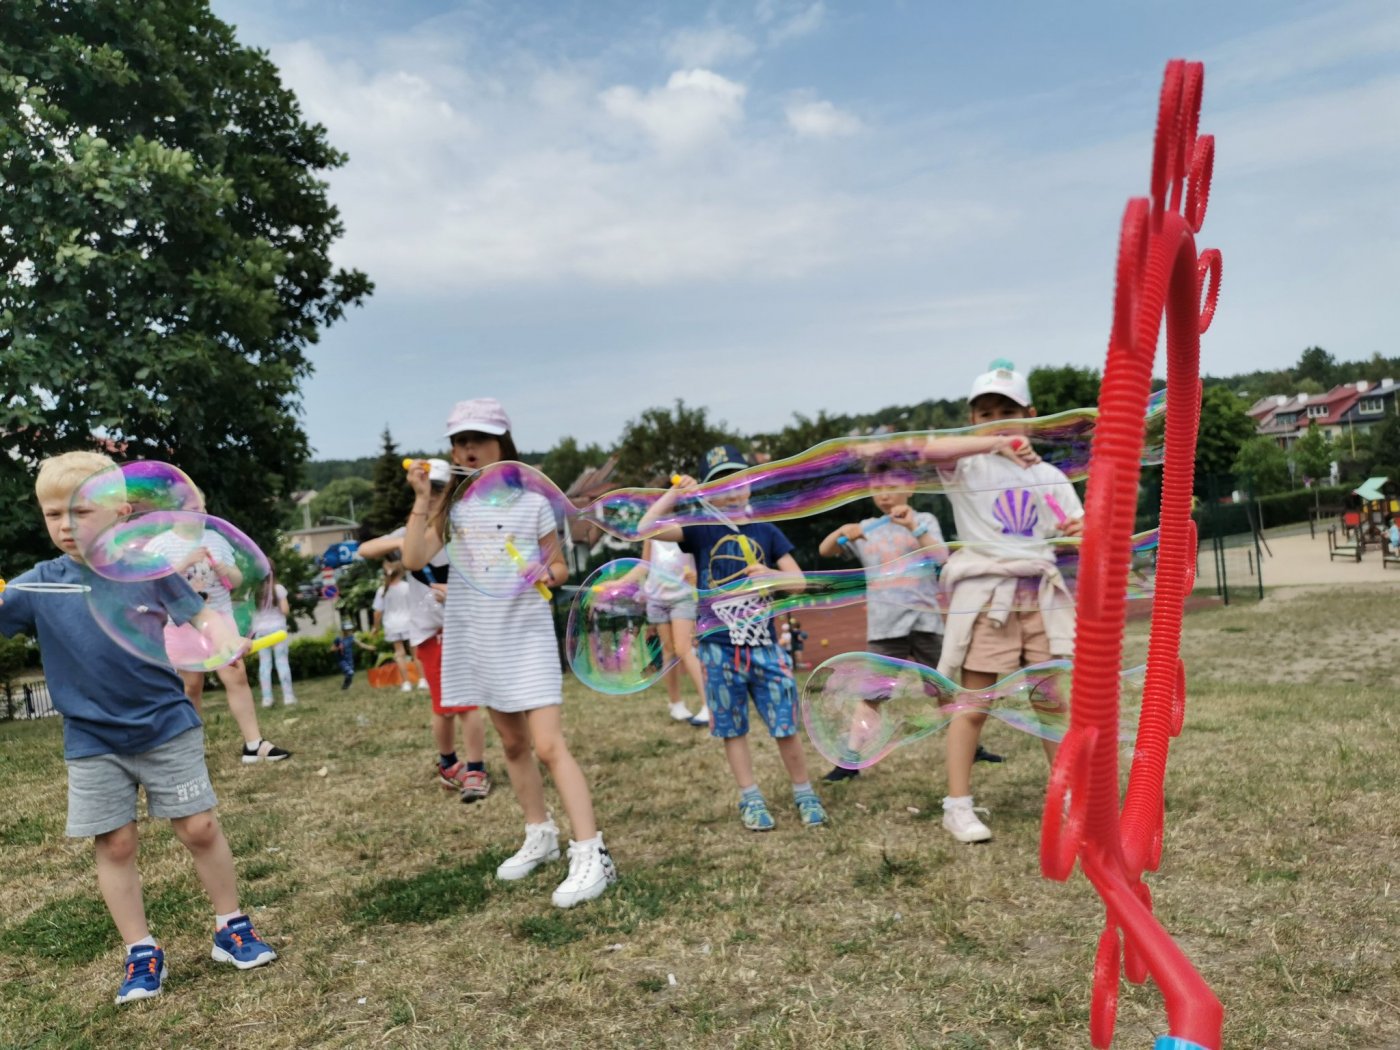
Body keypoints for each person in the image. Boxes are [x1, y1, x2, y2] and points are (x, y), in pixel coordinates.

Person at [0, 451, 277, 1004]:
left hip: (166, 725)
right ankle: (141, 950)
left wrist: (222, 635)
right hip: (92, 739)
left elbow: (200, 617)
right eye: (53, 514)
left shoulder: (150, 573)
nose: (65, 526)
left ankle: (231, 925)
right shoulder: (38, 585)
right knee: (116, 842)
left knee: (198, 828)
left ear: (122, 513)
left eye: (81, 511)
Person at [402, 397, 615, 907]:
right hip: (479, 633)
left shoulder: (532, 502)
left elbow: (559, 568)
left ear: (503, 445)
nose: (468, 448)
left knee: (547, 745)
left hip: (526, 633)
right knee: (512, 744)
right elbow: (413, 558)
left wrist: (548, 573)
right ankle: (538, 833)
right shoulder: (452, 506)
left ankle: (591, 852)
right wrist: (424, 500)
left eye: (479, 439)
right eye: (460, 441)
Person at [929, 360, 1084, 843]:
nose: (996, 418)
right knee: (974, 705)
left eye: (1007, 411)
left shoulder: (1050, 477)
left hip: (1038, 596)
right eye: (985, 412)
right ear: (972, 420)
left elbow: (1076, 527)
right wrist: (995, 443)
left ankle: (1068, 797)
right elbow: (929, 447)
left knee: (1050, 702)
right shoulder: (966, 465)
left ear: (1031, 415)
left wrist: (1079, 532)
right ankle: (957, 806)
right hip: (987, 598)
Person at [638, 444, 828, 832]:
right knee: (732, 727)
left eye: (738, 480)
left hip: (765, 648)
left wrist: (772, 577)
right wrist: (675, 495)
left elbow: (800, 583)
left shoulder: (768, 531)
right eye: (720, 483)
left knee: (785, 725)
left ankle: (804, 791)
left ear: (750, 484)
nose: (732, 489)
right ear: (708, 492)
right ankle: (750, 796)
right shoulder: (700, 529)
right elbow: (645, 529)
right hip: (719, 650)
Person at [816, 467, 952, 782]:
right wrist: (840, 533)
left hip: (926, 621)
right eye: (877, 487)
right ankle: (849, 760)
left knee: (943, 687)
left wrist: (914, 527)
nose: (884, 494)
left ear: (911, 486)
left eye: (892, 485)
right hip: (885, 626)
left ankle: (971, 745)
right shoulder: (866, 528)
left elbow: (941, 556)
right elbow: (826, 551)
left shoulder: (925, 521)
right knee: (872, 694)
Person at [359, 502, 492, 802]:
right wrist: (404, 542)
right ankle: (448, 764)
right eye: (422, 499)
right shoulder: (411, 532)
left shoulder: (462, 534)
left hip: (462, 629)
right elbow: (365, 549)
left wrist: (454, 592)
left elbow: (485, 577)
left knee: (467, 704)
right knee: (442, 707)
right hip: (429, 634)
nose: (430, 505)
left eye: (437, 498)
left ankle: (475, 769)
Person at [144, 492, 290, 764]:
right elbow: (152, 585)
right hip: (181, 624)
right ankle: (192, 749)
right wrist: (185, 563)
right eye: (192, 508)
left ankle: (253, 744)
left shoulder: (215, 540)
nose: (200, 513)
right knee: (191, 684)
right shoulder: (159, 545)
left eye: (203, 506)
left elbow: (235, 581)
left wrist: (225, 569)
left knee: (236, 674)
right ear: (175, 512)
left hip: (220, 619)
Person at [632, 536, 708, 725]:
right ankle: (676, 704)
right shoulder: (652, 535)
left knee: (683, 647)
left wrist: (699, 576)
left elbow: (700, 557)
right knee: (669, 652)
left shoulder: (684, 530)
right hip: (657, 599)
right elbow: (644, 565)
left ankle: (709, 704)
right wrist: (619, 583)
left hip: (682, 596)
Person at [371, 561, 422, 694]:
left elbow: (377, 612)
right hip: (409, 622)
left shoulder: (382, 590)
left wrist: (375, 627)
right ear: (401, 572)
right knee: (415, 653)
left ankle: (406, 683)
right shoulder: (407, 587)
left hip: (392, 625)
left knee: (399, 654)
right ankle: (423, 680)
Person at [252, 572, 295, 707]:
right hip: (278, 631)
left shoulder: (253, 590)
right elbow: (285, 610)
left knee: (264, 665)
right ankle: (288, 696)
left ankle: (267, 699)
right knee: (282, 663)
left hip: (261, 632)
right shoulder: (278, 589)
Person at [331, 616, 374, 689]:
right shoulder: (338, 639)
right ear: (343, 630)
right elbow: (332, 649)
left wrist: (369, 647)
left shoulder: (351, 638)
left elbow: (360, 644)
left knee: (350, 675)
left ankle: (346, 686)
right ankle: (345, 685)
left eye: (350, 629)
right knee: (350, 672)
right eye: (348, 629)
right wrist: (338, 648)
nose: (350, 631)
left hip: (350, 660)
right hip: (342, 660)